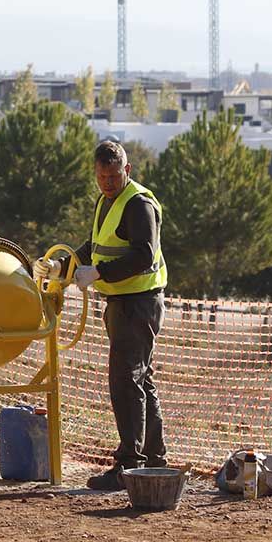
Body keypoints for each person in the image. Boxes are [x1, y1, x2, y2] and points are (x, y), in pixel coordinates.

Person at [33, 140, 169, 490]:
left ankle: (128, 465)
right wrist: (63, 266)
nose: (107, 182)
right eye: (101, 176)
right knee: (139, 380)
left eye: (113, 175)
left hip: (137, 303)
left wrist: (99, 273)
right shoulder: (106, 201)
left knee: (126, 382)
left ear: (128, 170)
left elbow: (144, 256)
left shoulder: (138, 205)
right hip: (122, 304)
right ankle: (153, 460)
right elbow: (94, 245)